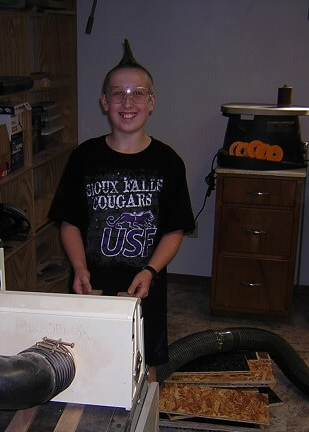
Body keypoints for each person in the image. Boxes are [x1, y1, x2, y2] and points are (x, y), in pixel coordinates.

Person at [47, 39, 195, 382]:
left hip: (145, 285)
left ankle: (146, 430)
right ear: (104, 102)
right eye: (117, 93)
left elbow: (174, 231)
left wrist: (150, 271)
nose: (127, 102)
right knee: (87, 361)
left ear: (152, 102)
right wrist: (78, 268)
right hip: (91, 285)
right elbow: (69, 222)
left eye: (138, 93)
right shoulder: (83, 158)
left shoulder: (169, 162)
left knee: (147, 364)